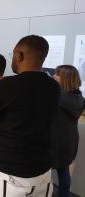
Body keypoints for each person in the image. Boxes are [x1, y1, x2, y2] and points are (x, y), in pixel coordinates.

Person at [0, 35, 61, 196]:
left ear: (19, 56)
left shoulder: (8, 85)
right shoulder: (54, 86)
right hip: (43, 172)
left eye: (13, 54)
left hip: (11, 174)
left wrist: (0, 120)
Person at [51, 65, 85, 197]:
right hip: (69, 141)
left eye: (57, 74)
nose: (54, 76)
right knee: (64, 172)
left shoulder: (57, 97)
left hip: (54, 141)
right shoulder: (79, 99)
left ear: (65, 79)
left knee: (45, 174)